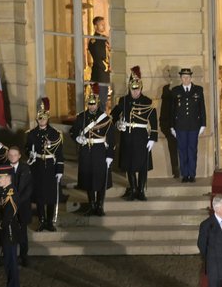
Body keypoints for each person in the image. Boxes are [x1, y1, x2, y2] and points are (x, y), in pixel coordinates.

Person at [112, 67, 158, 201]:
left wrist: (153, 138)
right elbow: (113, 116)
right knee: (129, 165)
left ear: (141, 88)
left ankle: (141, 190)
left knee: (142, 166)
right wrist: (118, 124)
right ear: (129, 88)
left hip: (142, 137)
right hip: (127, 137)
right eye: (133, 89)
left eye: (137, 89)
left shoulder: (147, 102)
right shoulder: (123, 101)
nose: (135, 91)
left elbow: (154, 122)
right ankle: (132, 189)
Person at [72, 84, 114, 216]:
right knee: (88, 179)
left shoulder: (105, 118)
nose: (91, 107)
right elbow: (73, 132)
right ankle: (91, 205)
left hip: (100, 151)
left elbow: (111, 138)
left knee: (100, 179)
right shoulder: (81, 117)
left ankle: (100, 206)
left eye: (93, 104)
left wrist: (110, 155)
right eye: (89, 104)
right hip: (86, 151)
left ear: (97, 104)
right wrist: (77, 138)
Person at [25, 98, 64, 230]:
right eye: (40, 118)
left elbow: (59, 153)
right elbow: (26, 149)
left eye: (44, 118)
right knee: (40, 195)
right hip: (38, 167)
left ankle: (49, 221)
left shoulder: (55, 134)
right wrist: (30, 154)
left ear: (48, 118)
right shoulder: (31, 134)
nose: (42, 120)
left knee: (51, 195)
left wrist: (60, 170)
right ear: (37, 119)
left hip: (51, 167)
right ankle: (41, 220)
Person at [0, 163, 29, 287]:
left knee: (11, 264)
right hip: (6, 233)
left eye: (0, 177)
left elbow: (8, 216)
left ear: (8, 178)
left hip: (9, 233)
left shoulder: (10, 193)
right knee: (8, 264)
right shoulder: (5, 191)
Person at [168, 67, 206, 183]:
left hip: (194, 126)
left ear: (191, 78)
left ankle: (192, 174)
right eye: (183, 77)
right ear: (181, 78)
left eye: (188, 77)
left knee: (192, 150)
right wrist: (172, 126)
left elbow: (202, 109)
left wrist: (203, 124)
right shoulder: (175, 91)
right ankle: (185, 174)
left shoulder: (198, 90)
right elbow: (171, 110)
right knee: (182, 150)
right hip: (180, 126)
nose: (186, 79)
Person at [87, 15, 110, 84]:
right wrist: (106, 67)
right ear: (95, 26)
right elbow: (97, 58)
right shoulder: (94, 41)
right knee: (101, 93)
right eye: (101, 25)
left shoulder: (104, 38)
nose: (104, 26)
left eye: (104, 24)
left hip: (105, 72)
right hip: (99, 73)